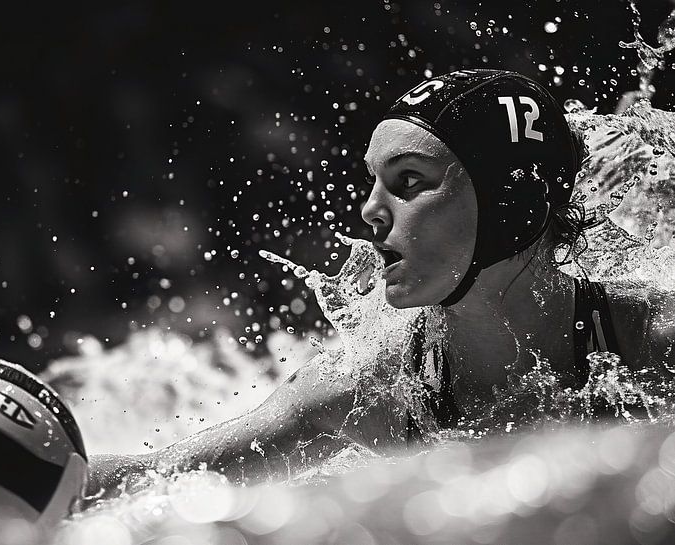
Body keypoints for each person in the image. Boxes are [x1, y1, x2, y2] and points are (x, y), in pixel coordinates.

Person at [86, 69, 675, 502]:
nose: (370, 210)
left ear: (513, 202)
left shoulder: (653, 343)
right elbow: (161, 476)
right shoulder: (369, 389)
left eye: (408, 180)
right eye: (373, 181)